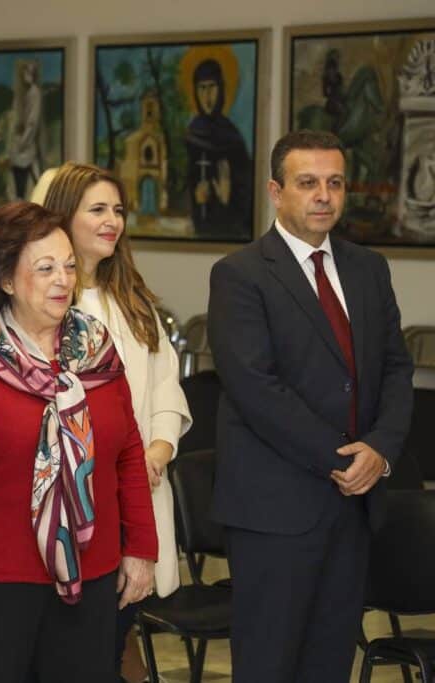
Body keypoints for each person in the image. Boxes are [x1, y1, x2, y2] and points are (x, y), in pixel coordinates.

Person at [0, 201, 157, 683]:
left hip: (92, 572)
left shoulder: (97, 349)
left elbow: (129, 450)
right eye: (45, 268)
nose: (63, 280)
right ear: (6, 280)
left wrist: (141, 546)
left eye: (68, 266)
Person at [208, 129, 414, 681]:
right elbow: (256, 388)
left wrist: (380, 450)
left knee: (329, 664)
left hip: (353, 507)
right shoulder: (240, 274)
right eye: (307, 183)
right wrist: (344, 457)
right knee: (270, 665)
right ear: (276, 192)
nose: (324, 195)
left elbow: (396, 368)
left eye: (335, 183)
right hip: (274, 511)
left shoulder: (368, 268)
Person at [42, 162, 191, 682]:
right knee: (76, 648)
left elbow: (167, 387)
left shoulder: (134, 302)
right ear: (64, 215)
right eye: (98, 210)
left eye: (118, 210)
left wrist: (157, 451)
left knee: (117, 626)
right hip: (78, 501)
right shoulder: (47, 301)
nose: (112, 221)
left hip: (139, 492)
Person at [185, 58, 253, 240]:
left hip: (226, 226)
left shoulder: (233, 138)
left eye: (212, 87)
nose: (207, 96)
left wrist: (226, 197)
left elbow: (247, 192)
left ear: (221, 89)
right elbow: (176, 184)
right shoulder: (189, 135)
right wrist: (193, 198)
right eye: (202, 88)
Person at [9, 60, 44, 201]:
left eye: (28, 73)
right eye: (24, 72)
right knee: (29, 175)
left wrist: (22, 142)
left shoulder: (34, 93)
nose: (25, 76)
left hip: (27, 142)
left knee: (27, 172)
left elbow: (32, 122)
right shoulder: (28, 93)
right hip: (24, 141)